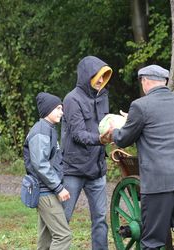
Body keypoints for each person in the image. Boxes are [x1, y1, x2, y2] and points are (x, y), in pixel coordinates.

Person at [105, 65, 174, 250]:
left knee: (152, 242)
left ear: (145, 81)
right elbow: (161, 124)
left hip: (159, 183)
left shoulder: (140, 106)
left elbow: (124, 139)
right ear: (164, 82)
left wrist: (113, 131)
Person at [61, 56, 113, 250]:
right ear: (86, 76)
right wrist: (100, 140)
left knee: (100, 218)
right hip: (73, 170)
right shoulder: (72, 99)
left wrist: (118, 130)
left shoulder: (103, 96)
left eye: (104, 76)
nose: (100, 80)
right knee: (62, 218)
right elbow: (78, 134)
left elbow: (105, 125)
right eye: (97, 76)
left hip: (97, 169)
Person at [23, 92, 71, 250]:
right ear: (47, 110)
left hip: (47, 190)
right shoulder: (41, 131)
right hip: (45, 192)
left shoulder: (48, 128)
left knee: (46, 239)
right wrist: (58, 187)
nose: (61, 112)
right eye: (58, 108)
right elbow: (40, 164)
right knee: (63, 236)